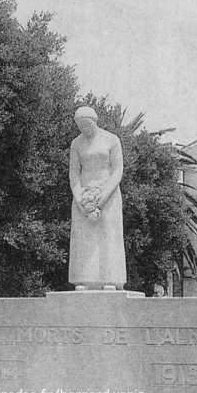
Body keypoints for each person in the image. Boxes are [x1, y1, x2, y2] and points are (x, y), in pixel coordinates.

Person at [68, 106, 126, 290]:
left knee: (109, 236)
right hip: (83, 197)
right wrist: (81, 200)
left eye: (87, 124)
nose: (84, 128)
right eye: (80, 125)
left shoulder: (111, 140)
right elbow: (74, 174)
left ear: (95, 120)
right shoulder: (76, 144)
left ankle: (111, 278)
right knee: (84, 239)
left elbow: (117, 170)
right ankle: (84, 279)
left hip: (108, 194)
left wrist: (100, 200)